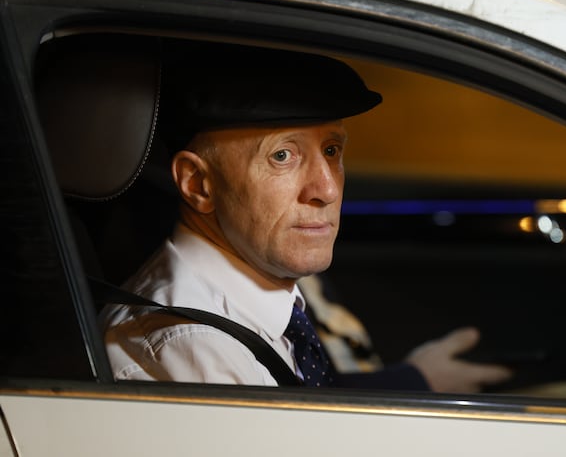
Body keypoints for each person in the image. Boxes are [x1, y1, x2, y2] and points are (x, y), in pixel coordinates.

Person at [102, 40, 512, 391]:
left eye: (332, 151)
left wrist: (412, 380)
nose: (328, 189)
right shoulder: (192, 345)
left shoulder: (262, 287)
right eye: (282, 156)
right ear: (198, 184)